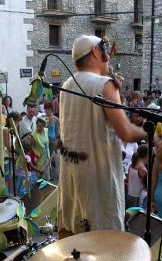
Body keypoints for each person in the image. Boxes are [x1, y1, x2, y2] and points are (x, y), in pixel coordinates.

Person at [58, 35, 145, 236]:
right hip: (98, 176)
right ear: (96, 52)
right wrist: (154, 137)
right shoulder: (105, 84)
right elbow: (126, 132)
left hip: (72, 173)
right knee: (104, 241)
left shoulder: (66, 84)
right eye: (104, 50)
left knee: (74, 234)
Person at [126, 144, 148, 208]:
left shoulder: (132, 164)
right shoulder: (143, 170)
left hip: (129, 194)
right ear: (147, 155)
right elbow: (146, 187)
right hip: (137, 197)